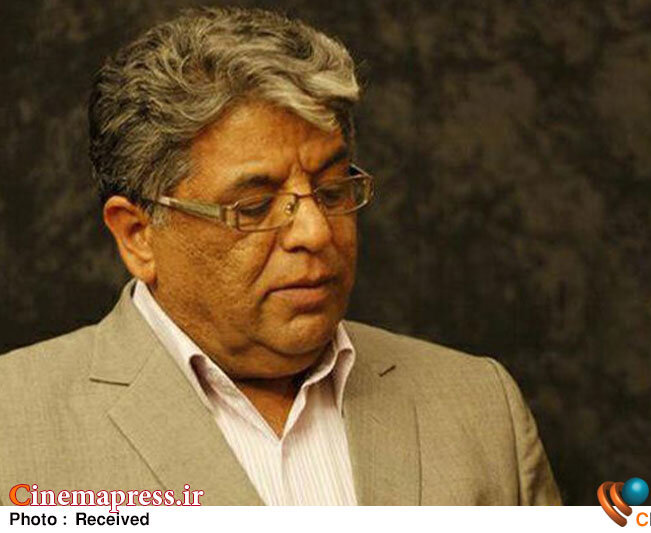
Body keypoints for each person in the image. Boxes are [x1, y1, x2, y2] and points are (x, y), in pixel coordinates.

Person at [0, 7, 560, 506]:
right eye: (255, 206)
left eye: (333, 190)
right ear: (138, 234)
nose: (315, 232)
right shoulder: (14, 425)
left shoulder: (480, 407)